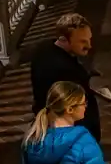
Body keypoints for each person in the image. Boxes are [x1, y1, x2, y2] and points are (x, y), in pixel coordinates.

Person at [30, 13, 102, 142]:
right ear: (64, 39)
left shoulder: (43, 48)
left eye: (89, 39)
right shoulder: (64, 70)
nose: (89, 46)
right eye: (82, 41)